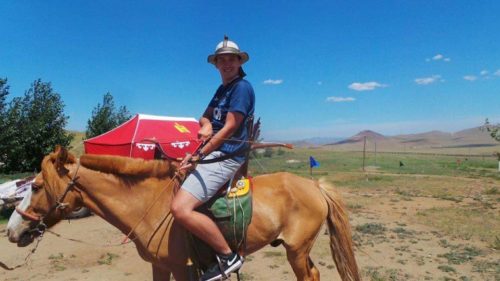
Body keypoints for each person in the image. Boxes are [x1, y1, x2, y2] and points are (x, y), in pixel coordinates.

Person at [170, 36, 255, 281]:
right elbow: (204, 118)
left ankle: (228, 257)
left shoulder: (241, 88)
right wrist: (206, 126)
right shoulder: (222, 90)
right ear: (216, 64)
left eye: (231, 59)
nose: (226, 64)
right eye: (222, 60)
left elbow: (229, 128)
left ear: (239, 62)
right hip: (213, 151)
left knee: (180, 208)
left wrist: (198, 155)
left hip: (227, 155)